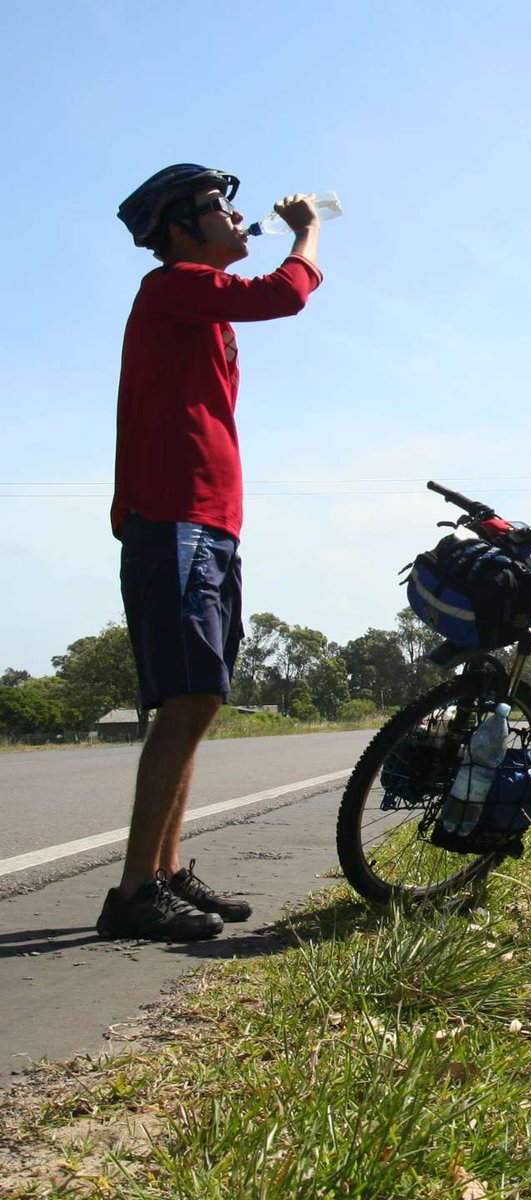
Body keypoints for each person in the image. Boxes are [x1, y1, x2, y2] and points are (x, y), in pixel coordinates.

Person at [100, 165, 324, 941]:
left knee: (197, 701)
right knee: (187, 699)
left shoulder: (201, 306)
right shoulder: (174, 287)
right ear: (179, 229)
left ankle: (161, 873)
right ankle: (133, 895)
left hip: (208, 524)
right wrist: (305, 233)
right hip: (178, 520)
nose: (234, 215)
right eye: (216, 207)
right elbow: (285, 294)